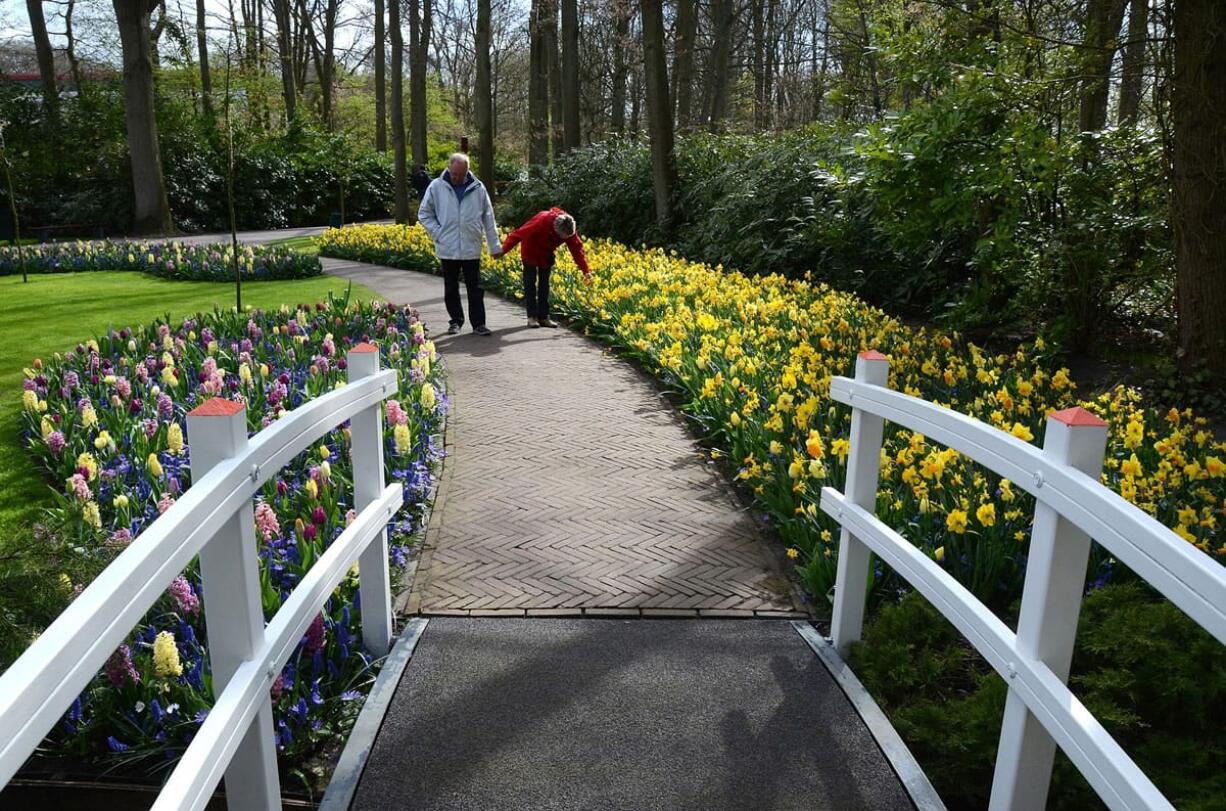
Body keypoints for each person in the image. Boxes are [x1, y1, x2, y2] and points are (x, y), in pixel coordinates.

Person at [417, 153, 502, 336]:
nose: (457, 178)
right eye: (454, 174)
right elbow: (424, 213)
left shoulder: (478, 188)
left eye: (461, 174)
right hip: (448, 247)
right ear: (449, 168)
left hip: (471, 246)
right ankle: (455, 321)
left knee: (476, 288)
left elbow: (488, 217)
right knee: (451, 287)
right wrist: (439, 233)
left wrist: (494, 245)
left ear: (467, 171)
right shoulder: (436, 187)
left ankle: (479, 323)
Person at [500, 207, 591, 328]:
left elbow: (576, 249)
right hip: (530, 249)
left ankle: (544, 317)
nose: (565, 240)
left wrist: (586, 270)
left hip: (546, 254)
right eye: (562, 237)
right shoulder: (541, 221)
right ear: (556, 229)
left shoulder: (568, 228)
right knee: (530, 283)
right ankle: (531, 317)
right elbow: (517, 234)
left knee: (545, 285)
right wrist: (502, 251)